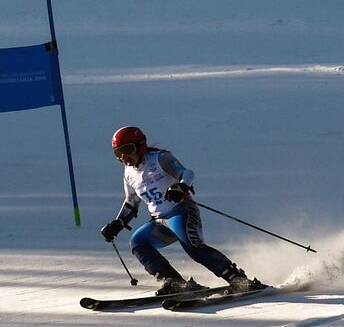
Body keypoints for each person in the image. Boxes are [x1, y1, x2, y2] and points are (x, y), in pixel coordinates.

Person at [99, 126, 264, 296]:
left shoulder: (160, 158)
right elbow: (132, 202)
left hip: (181, 212)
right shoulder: (128, 173)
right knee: (138, 243)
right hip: (159, 221)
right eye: (118, 153)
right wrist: (118, 223)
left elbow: (187, 173)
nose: (124, 157)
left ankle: (239, 280)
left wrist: (181, 186)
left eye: (128, 150)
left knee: (194, 247)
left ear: (140, 145)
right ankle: (175, 282)